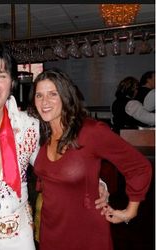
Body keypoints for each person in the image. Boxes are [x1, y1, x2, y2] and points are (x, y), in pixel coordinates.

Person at [0, 41, 109, 250]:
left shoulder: (29, 126)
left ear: (12, 82)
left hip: (19, 234)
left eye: (2, 76)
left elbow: (57, 162)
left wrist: (95, 181)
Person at [29, 68, 152, 250]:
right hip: (51, 228)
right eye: (39, 95)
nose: (44, 101)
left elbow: (138, 166)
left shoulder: (90, 131)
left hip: (85, 230)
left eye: (52, 94)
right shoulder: (40, 133)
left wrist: (129, 211)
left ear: (65, 96)